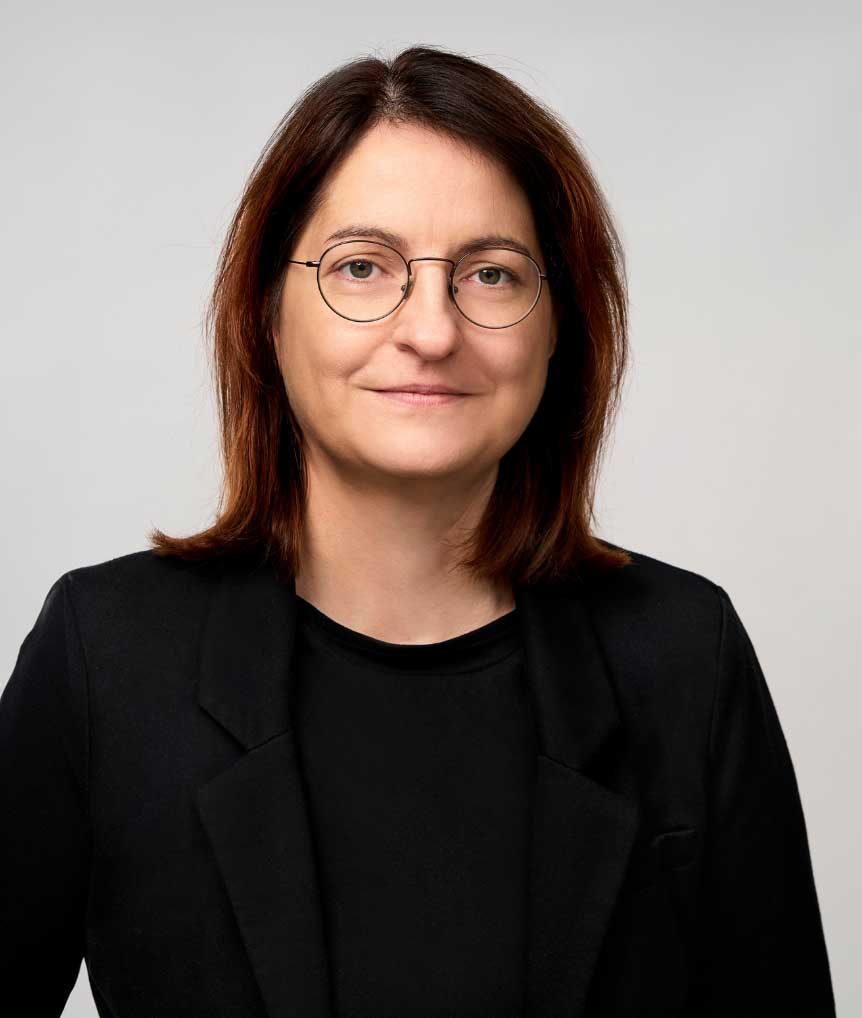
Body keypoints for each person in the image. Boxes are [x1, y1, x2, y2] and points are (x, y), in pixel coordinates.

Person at [0, 44, 836, 1018]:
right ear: (268, 313)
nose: (431, 328)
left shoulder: (684, 654)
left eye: (490, 274)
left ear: (559, 326)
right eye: (363, 267)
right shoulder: (107, 653)